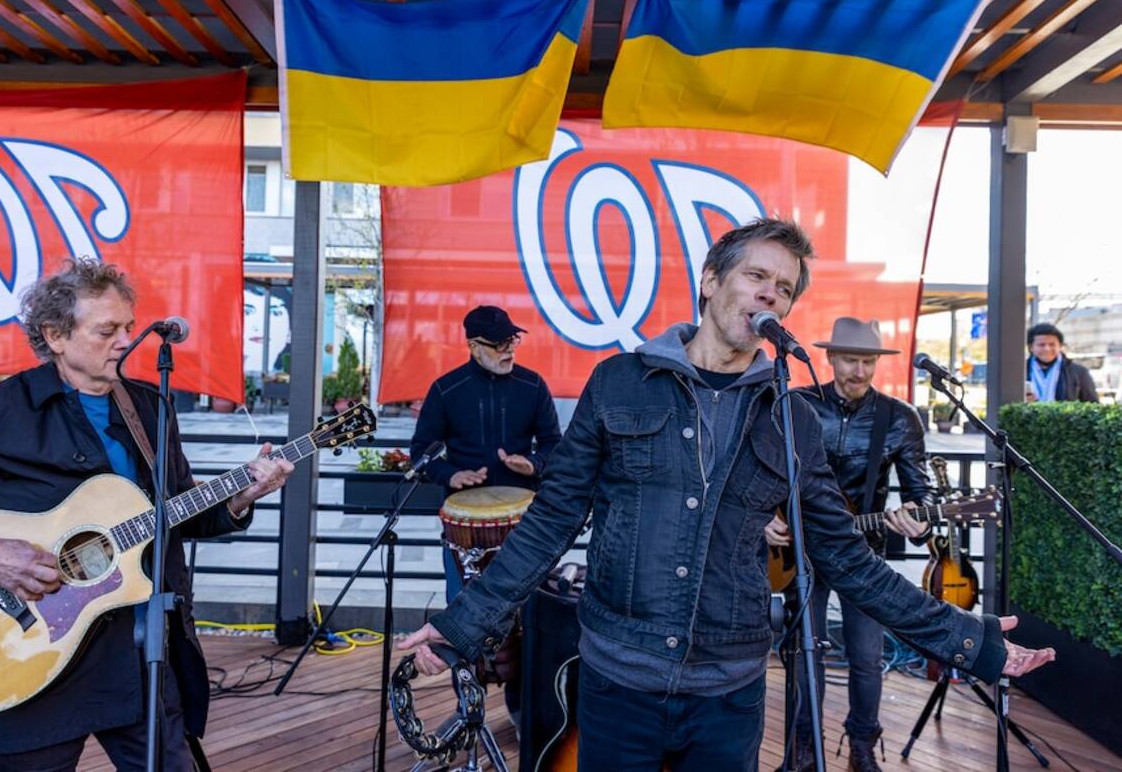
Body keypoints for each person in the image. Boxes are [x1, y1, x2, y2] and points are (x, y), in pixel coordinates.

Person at [400, 218, 1055, 772]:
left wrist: (966, 639)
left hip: (728, 693)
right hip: (617, 679)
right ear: (710, 282)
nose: (771, 295)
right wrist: (462, 627)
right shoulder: (619, 383)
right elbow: (548, 524)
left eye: (785, 289)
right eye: (756, 277)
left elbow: (848, 559)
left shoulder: (792, 418)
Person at [0, 259, 293, 771]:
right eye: (107, 330)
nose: (125, 341)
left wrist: (240, 496)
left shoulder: (149, 409)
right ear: (55, 335)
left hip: (137, 657)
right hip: (25, 654)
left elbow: (173, 514)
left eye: (127, 326)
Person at [765, 316, 934, 771]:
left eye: (868, 362)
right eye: (850, 360)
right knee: (805, 651)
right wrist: (764, 518)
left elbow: (924, 496)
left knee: (866, 656)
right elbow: (754, 472)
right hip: (797, 550)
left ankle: (862, 745)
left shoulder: (898, 419)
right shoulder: (794, 405)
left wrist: (916, 519)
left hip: (863, 550)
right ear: (831, 358)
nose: (859, 371)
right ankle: (803, 747)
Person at [409, 304, 562, 603]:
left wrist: (533, 464)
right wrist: (450, 475)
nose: (509, 350)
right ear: (473, 346)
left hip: (524, 517)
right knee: (462, 604)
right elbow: (419, 452)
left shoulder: (533, 385)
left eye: (512, 340)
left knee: (526, 607)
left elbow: (553, 443)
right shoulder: (446, 390)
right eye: (499, 344)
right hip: (464, 526)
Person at [1025, 322, 1098, 402]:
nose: (1047, 349)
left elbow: (1093, 405)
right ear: (1031, 347)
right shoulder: (1020, 372)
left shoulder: (1079, 372)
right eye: (1041, 345)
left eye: (1052, 344)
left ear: (1060, 346)